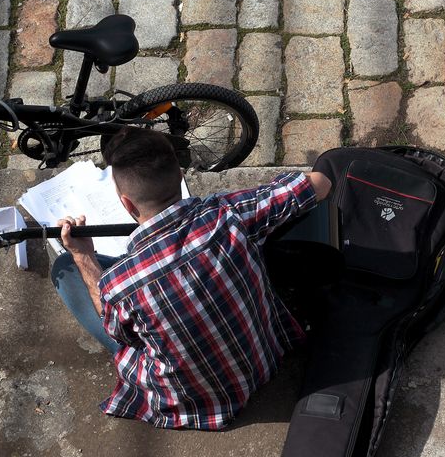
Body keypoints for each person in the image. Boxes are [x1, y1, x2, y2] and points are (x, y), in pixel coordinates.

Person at [50, 127, 332, 430]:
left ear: (127, 204)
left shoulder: (119, 285)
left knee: (64, 269)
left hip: (198, 403)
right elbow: (321, 183)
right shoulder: (227, 213)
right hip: (264, 359)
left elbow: (121, 334)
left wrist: (83, 256)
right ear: (181, 177)